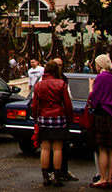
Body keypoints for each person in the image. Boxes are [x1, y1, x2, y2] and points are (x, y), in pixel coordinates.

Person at [33, 59, 74, 187]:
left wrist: (36, 118)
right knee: (58, 148)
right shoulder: (61, 83)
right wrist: (69, 119)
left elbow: (35, 105)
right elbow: (68, 104)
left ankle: (45, 177)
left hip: (44, 116)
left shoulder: (39, 85)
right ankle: (57, 177)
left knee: (45, 148)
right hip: (59, 116)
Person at [87, 53, 112, 189]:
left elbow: (94, 98)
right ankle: (109, 178)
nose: (96, 67)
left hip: (102, 114)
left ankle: (102, 178)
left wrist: (91, 87)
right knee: (111, 149)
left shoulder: (101, 77)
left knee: (102, 149)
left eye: (97, 64)